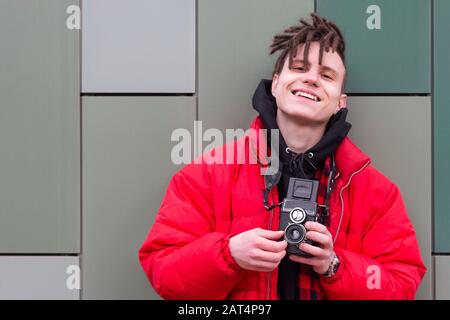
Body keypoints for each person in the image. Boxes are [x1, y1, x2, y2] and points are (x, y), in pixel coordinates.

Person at [138, 13, 426, 300]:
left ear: (340, 103)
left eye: (326, 75)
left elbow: (400, 287)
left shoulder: (376, 193)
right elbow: (164, 273)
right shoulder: (206, 175)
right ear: (276, 84)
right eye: (299, 68)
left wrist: (334, 266)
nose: (311, 79)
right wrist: (229, 254)